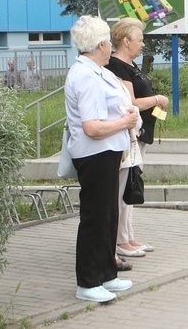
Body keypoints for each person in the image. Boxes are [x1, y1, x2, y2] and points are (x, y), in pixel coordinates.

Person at [65, 15, 140, 303]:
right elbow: (92, 127)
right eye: (108, 42)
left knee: (109, 215)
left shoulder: (96, 71)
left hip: (106, 154)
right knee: (96, 218)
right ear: (100, 45)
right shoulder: (86, 76)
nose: (110, 47)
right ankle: (88, 282)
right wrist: (125, 122)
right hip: (94, 155)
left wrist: (125, 118)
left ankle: (107, 275)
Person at [106, 18, 168, 258]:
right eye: (139, 40)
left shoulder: (131, 65)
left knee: (132, 185)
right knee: (125, 185)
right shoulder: (116, 66)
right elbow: (130, 102)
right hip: (129, 135)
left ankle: (128, 235)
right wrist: (157, 100)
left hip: (141, 134)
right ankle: (121, 240)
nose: (143, 44)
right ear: (125, 41)